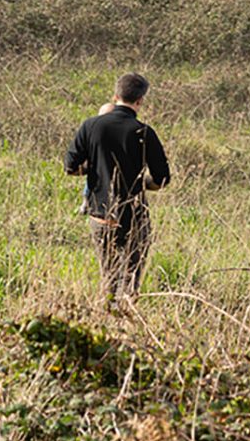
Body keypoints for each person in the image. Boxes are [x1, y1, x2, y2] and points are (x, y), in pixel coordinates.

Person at [65, 73, 171, 304]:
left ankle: (107, 320)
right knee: (130, 280)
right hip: (134, 215)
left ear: (115, 96)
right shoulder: (144, 132)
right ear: (140, 101)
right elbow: (162, 179)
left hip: (100, 217)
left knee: (108, 277)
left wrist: (95, 169)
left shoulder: (91, 126)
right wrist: (141, 184)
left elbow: (70, 168)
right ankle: (127, 319)